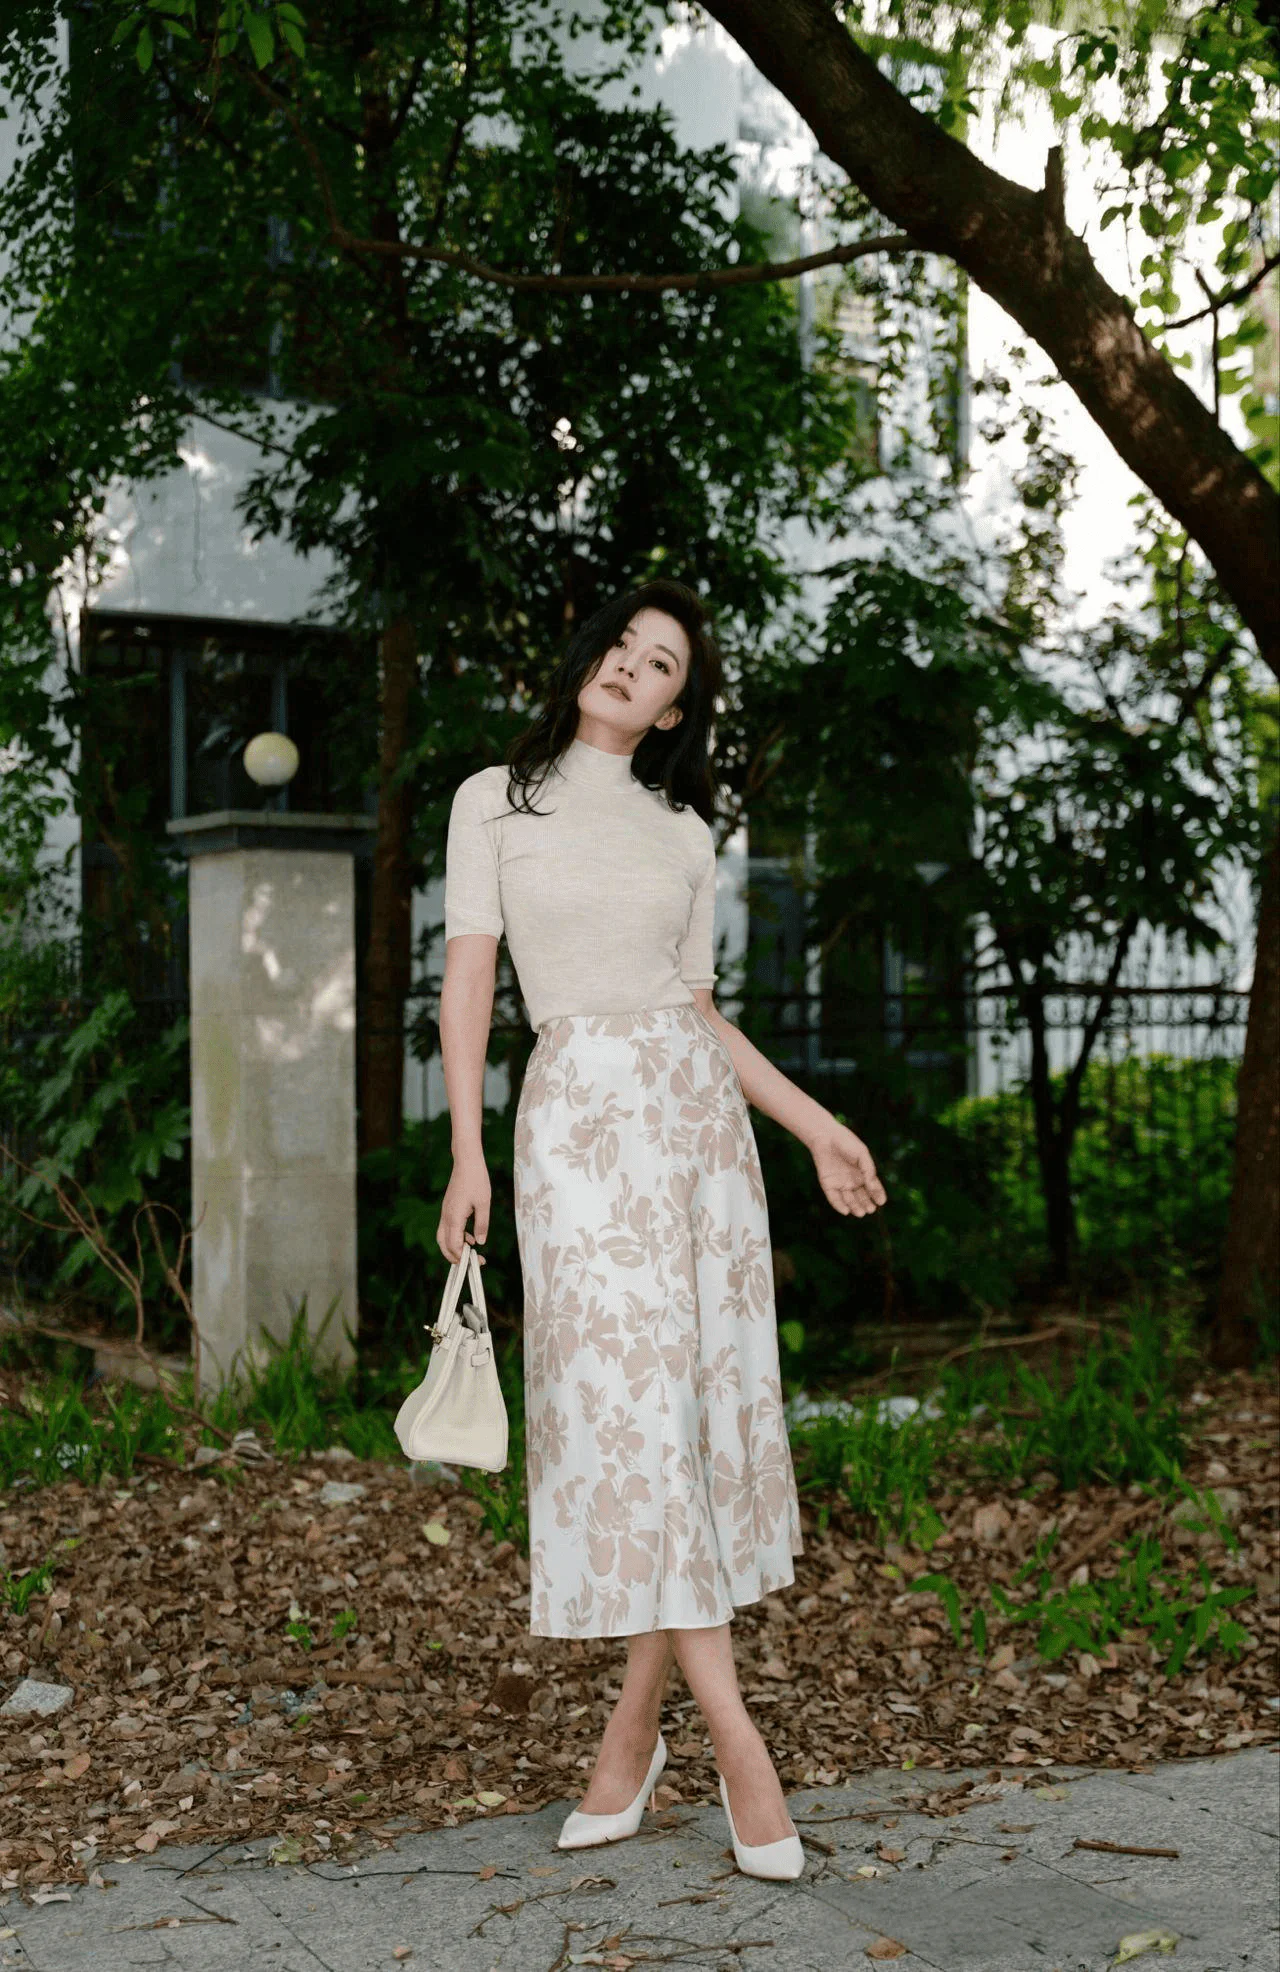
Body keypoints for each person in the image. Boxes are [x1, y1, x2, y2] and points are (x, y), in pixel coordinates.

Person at [437, 578, 886, 1881]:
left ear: (680, 704)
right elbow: (472, 981)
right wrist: (466, 1151)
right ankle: (741, 1744)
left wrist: (813, 1126)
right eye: (620, 648)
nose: (632, 669)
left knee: (672, 1429)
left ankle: (632, 1734)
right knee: (625, 1413)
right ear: (589, 661)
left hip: (694, 1140)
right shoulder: (495, 801)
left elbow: (701, 1013)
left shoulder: (687, 831)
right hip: (575, 1124)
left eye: (661, 663)